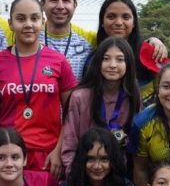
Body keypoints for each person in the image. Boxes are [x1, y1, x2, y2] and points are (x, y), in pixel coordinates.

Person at [0, 0, 78, 173]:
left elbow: (72, 113)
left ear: (43, 22)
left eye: (35, 18)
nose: (28, 24)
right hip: (9, 156)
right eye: (21, 19)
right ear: (10, 24)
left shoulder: (58, 61)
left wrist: (59, 150)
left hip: (49, 156)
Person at [54, 36, 139, 177]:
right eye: (106, 59)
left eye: (120, 59)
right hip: (84, 174)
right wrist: (75, 176)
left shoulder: (133, 98)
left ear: (129, 64)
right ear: (97, 62)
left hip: (119, 176)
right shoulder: (79, 97)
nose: (112, 65)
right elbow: (70, 143)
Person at [93, 0, 169, 101]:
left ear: (134, 23)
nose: (119, 22)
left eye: (126, 17)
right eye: (111, 16)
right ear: (102, 22)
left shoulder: (151, 55)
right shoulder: (92, 58)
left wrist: (153, 41)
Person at [39, 0, 95, 76]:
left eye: (66, 0)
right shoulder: (27, 37)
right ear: (42, 4)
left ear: (75, 5)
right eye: (54, 0)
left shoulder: (91, 39)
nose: (60, 6)